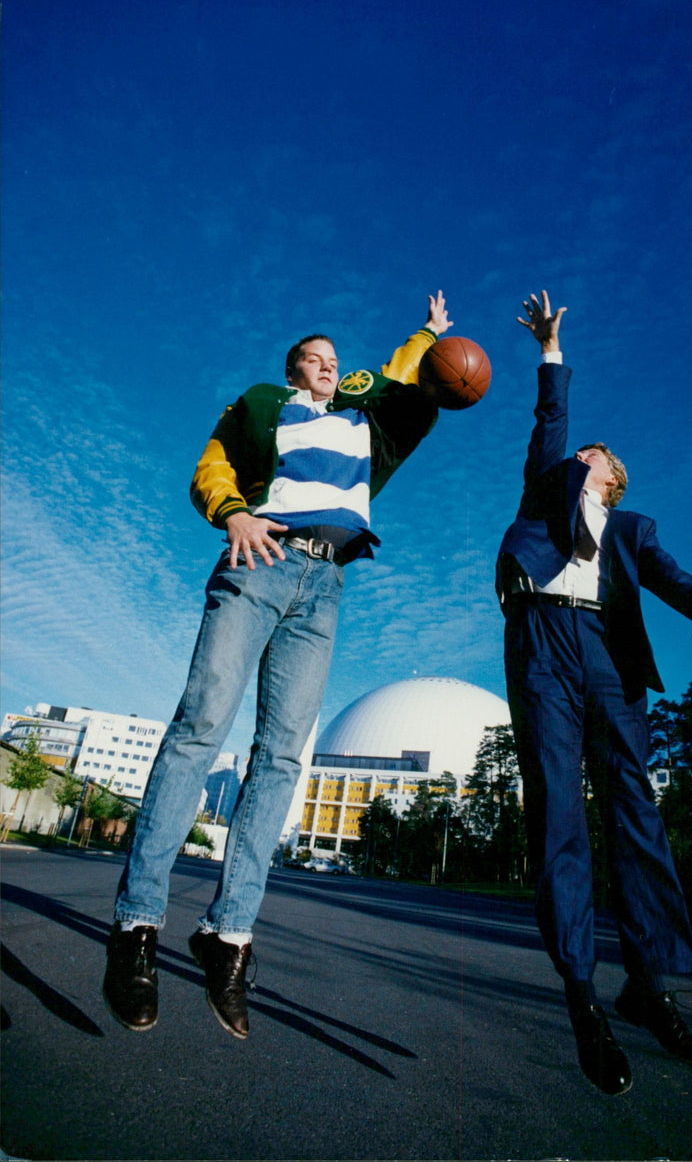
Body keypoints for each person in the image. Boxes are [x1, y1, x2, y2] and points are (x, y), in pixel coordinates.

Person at [103, 291, 453, 1038]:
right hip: (258, 562)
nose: (327, 367)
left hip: (326, 585)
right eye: (314, 359)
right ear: (294, 370)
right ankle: (136, 927)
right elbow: (213, 465)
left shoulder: (366, 424)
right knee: (200, 729)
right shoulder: (266, 406)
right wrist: (232, 511)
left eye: (335, 361)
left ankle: (228, 937)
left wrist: (427, 333)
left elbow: (395, 375)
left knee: (281, 761)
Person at [497, 290, 692, 1096]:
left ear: (615, 477)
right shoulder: (545, 493)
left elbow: (684, 585)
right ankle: (581, 997)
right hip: (541, 642)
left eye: (596, 455)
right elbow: (551, 430)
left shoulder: (633, 531)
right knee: (559, 812)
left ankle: (649, 984)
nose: (583, 455)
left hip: (605, 655)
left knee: (637, 812)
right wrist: (551, 356)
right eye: (579, 451)